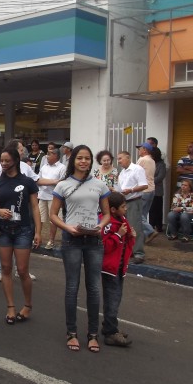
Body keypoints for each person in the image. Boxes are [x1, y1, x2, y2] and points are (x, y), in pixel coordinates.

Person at [50, 144, 110, 353]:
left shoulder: (99, 185)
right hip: (71, 240)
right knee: (72, 287)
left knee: (93, 288)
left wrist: (100, 227)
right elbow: (53, 215)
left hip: (94, 241)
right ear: (73, 160)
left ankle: (93, 335)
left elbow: (106, 214)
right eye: (80, 158)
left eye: (87, 158)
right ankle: (72, 333)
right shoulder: (63, 185)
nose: (84, 161)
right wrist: (68, 228)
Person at [0, 146, 41, 324]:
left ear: (16, 161)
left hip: (23, 230)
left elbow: (35, 207)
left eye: (7, 161)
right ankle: (10, 307)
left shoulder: (27, 182)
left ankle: (28, 305)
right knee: (6, 268)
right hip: (3, 231)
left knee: (23, 270)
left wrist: (38, 231)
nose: (3, 163)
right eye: (1, 161)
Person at [101, 191, 135, 347]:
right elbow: (104, 247)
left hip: (120, 267)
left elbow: (127, 244)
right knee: (112, 299)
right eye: (123, 206)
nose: (125, 209)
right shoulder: (107, 223)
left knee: (116, 298)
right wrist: (119, 235)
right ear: (113, 209)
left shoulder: (122, 220)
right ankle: (110, 332)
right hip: (110, 268)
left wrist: (131, 236)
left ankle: (110, 326)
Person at [117, 151, 148, 264]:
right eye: (118, 159)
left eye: (120, 158)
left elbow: (144, 185)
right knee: (125, 228)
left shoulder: (137, 169)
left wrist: (131, 190)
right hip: (124, 202)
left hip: (134, 201)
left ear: (128, 157)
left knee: (135, 227)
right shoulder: (122, 173)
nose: (119, 161)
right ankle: (129, 251)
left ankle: (139, 253)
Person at [37, 148, 66, 250]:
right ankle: (37, 237)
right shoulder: (44, 167)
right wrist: (53, 181)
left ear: (56, 156)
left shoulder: (62, 167)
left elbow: (62, 182)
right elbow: (38, 180)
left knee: (53, 220)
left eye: (49, 154)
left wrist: (46, 181)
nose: (47, 156)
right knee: (39, 218)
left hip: (54, 197)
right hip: (42, 195)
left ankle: (51, 240)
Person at [136, 142, 158, 243]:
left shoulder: (142, 159)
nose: (138, 150)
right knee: (143, 215)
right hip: (151, 189)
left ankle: (150, 231)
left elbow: (134, 172)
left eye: (140, 148)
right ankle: (144, 236)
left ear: (145, 150)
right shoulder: (152, 160)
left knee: (138, 214)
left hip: (143, 190)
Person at [149, 147, 167, 233]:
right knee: (151, 210)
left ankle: (159, 227)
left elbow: (160, 177)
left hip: (157, 191)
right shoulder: (149, 163)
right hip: (149, 190)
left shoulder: (161, 164)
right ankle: (151, 226)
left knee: (158, 209)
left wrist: (149, 180)